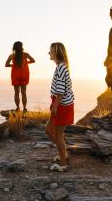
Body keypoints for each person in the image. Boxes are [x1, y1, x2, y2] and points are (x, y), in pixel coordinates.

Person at [45, 42, 75, 172]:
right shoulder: (61, 66)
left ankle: (63, 164)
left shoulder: (61, 67)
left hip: (62, 104)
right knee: (48, 129)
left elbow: (61, 91)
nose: (48, 53)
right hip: (59, 103)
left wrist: (55, 106)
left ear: (56, 52)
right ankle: (64, 155)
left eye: (50, 51)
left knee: (58, 135)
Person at [5, 41, 35, 116]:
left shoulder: (12, 55)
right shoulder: (25, 55)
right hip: (24, 74)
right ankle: (24, 109)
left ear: (14, 48)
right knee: (24, 92)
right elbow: (33, 60)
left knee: (16, 93)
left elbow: (6, 64)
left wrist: (13, 65)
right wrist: (25, 63)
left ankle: (18, 108)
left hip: (15, 75)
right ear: (22, 47)